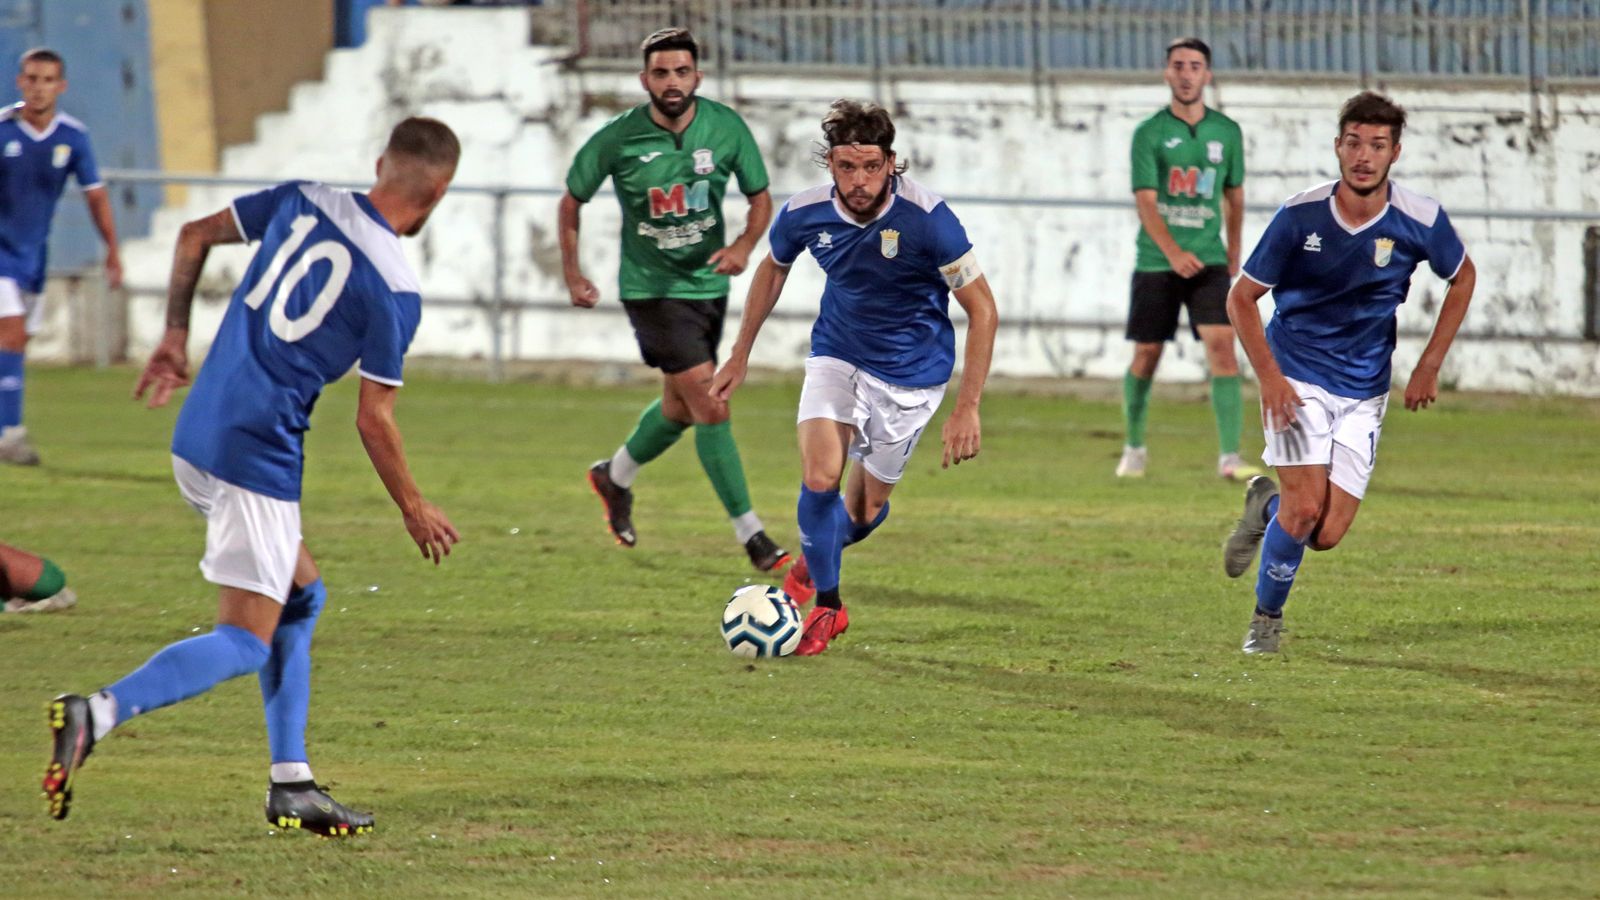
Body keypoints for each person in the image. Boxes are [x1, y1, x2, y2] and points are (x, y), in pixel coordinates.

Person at [42, 117, 463, 835]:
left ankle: (291, 783)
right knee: (245, 638)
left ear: (379, 162)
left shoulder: (307, 198)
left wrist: (173, 337)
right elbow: (374, 419)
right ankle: (99, 712)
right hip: (255, 454)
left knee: (304, 595)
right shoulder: (395, 287)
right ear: (439, 192)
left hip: (198, 429)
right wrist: (414, 506)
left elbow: (193, 235)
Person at [711, 100, 998, 656]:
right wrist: (740, 353)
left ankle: (809, 566)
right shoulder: (804, 213)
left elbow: (982, 309)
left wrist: (968, 406)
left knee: (862, 513)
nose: (859, 180)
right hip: (837, 355)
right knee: (821, 475)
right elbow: (772, 266)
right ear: (831, 165)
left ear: (891, 162)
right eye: (847, 167)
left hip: (913, 379)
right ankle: (829, 606)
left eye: (871, 166)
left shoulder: (930, 220)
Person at [1220, 91, 1475, 654]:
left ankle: (1265, 505)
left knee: (1326, 534)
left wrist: (1430, 362)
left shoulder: (1419, 219)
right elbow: (1242, 298)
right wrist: (1269, 378)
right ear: (1338, 146)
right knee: (1306, 507)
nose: (1364, 155)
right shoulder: (1300, 215)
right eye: (1354, 142)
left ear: (1395, 152)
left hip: (1364, 389)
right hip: (1297, 376)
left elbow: (1462, 277)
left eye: (1377, 145)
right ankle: (1266, 622)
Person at [559, 27, 790, 572]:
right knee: (712, 402)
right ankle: (753, 537)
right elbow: (571, 202)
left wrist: (743, 245)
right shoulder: (618, 139)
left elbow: (761, 200)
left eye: (681, 72)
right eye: (660, 73)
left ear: (696, 77)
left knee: (677, 410)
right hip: (652, 290)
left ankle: (612, 477)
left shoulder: (725, 127)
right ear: (645, 80)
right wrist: (573, 274)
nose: (671, 82)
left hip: (709, 285)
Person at [1118, 37, 1257, 481]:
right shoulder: (1149, 133)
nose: (1185, 73)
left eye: (1194, 66)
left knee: (1222, 346)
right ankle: (1134, 448)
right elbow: (1146, 201)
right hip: (1157, 260)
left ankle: (1229, 459)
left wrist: (1233, 251)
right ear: (1167, 73)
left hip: (1210, 260)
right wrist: (1173, 253)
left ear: (1207, 75)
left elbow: (1234, 195)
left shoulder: (1227, 131)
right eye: (1178, 65)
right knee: (1147, 352)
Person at [0, 48, 122, 466]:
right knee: (11, 333)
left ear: (61, 86)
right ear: (20, 82)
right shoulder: (2, 129)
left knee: (15, 344)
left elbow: (96, 196)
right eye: (32, 79)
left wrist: (112, 250)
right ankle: (10, 435)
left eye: (48, 80)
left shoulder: (72, 137)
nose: (39, 88)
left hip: (32, 256)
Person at [1, 540, 76, 612]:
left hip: (41, 581)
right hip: (48, 570)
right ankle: (55, 596)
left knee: (9, 607)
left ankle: (39, 601)